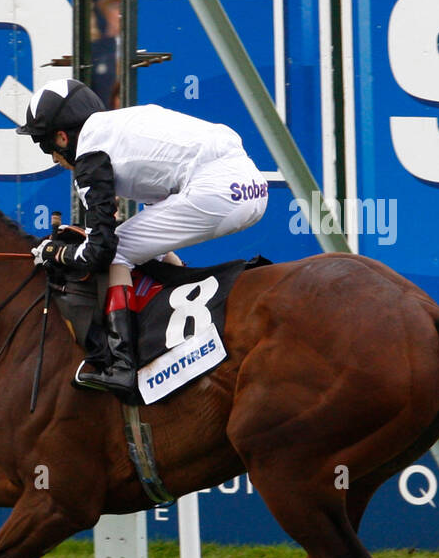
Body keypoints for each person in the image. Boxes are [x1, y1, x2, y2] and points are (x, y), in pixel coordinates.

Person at [17, 77, 269, 398]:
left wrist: (55, 252)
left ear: (62, 137)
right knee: (142, 242)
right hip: (252, 185)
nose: (53, 158)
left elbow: (100, 252)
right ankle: (179, 306)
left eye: (46, 146)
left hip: (217, 190)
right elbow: (158, 228)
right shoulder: (121, 127)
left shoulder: (91, 156)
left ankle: (121, 365)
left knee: (120, 250)